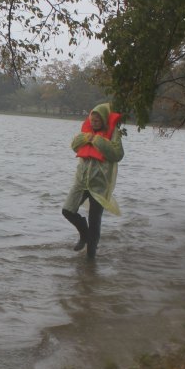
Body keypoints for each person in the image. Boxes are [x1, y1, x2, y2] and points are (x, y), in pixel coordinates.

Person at [61, 103, 124, 259]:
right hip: (81, 181)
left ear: (103, 120)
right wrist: (87, 137)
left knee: (95, 220)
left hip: (100, 185)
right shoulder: (86, 133)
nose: (95, 123)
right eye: (92, 120)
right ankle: (84, 235)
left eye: (98, 120)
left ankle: (91, 257)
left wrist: (97, 140)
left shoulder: (113, 133)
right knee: (67, 210)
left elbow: (117, 154)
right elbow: (75, 146)